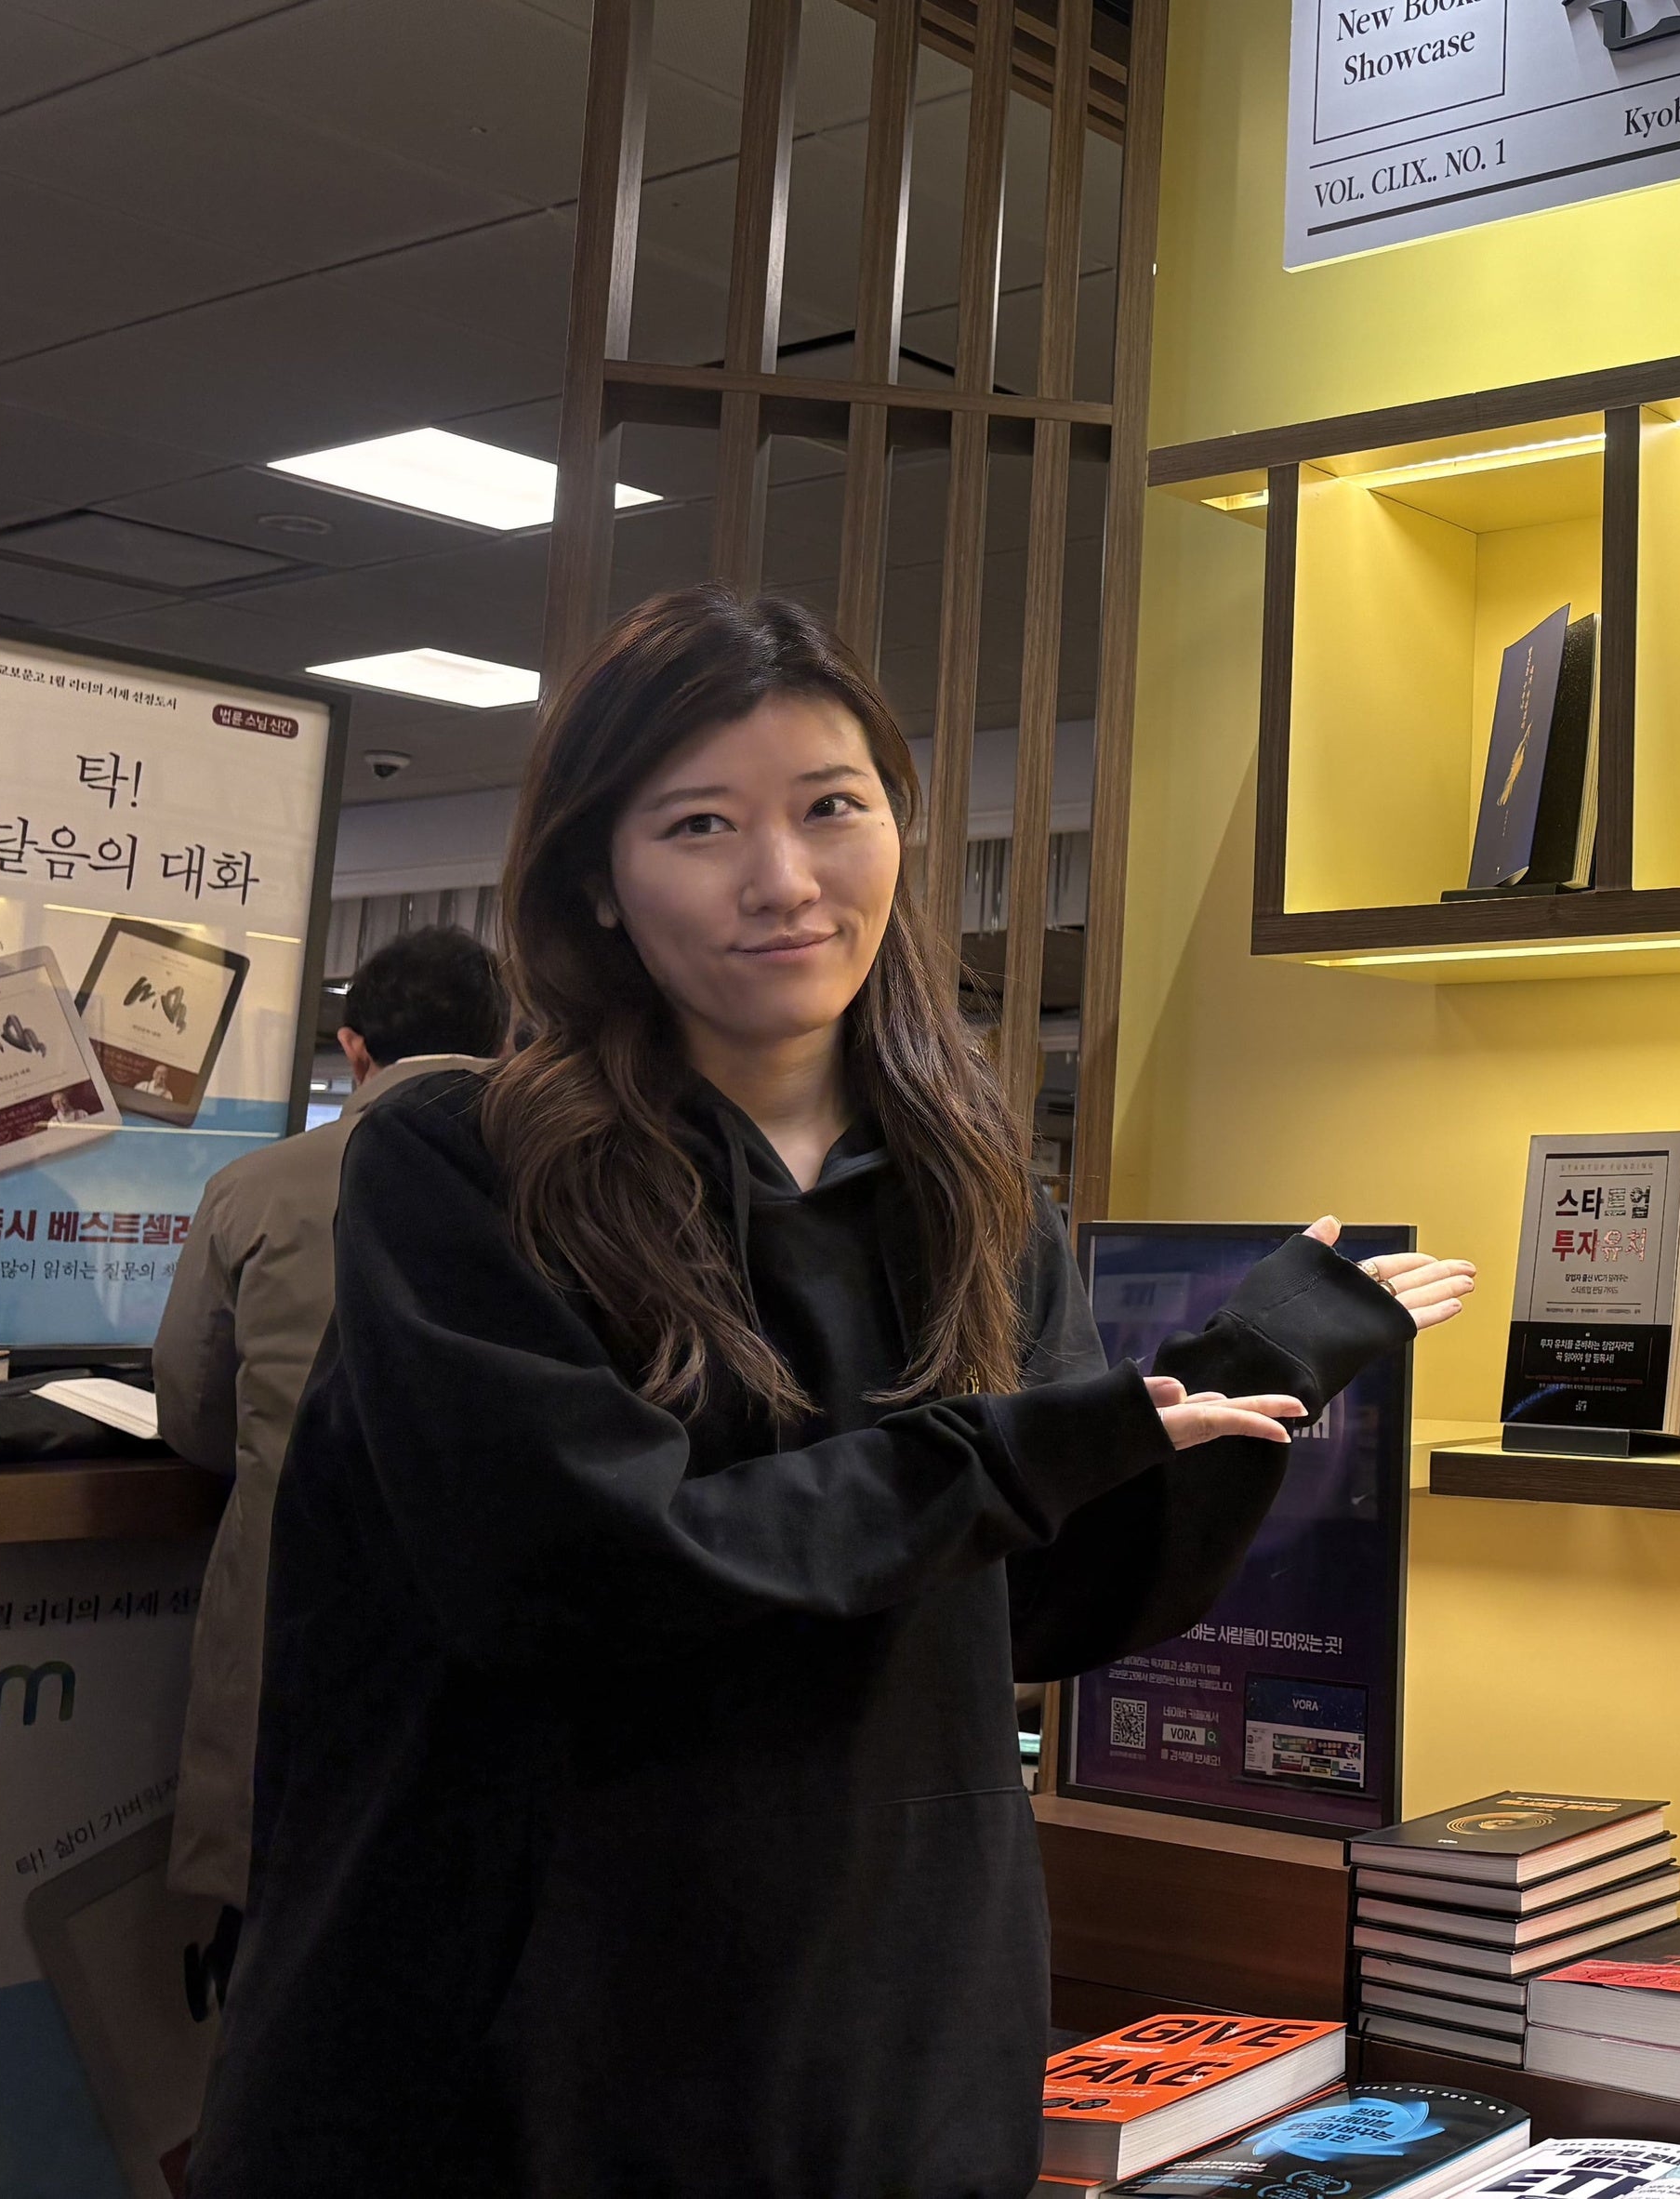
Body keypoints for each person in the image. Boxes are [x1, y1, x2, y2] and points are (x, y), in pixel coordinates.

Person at [192, 589, 1471, 2198]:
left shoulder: (973, 1187)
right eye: (701, 825)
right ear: (595, 878)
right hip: (526, 2030)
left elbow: (1040, 1602)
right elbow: (581, 1570)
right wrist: (1034, 1448)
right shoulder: (464, 1164)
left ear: (899, 832)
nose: (783, 880)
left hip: (889, 2016)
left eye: (831, 808)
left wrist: (1240, 1382)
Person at [153, 924, 509, 1936]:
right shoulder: (578, 1178)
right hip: (500, 1620)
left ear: (353, 1049)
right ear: (504, 1040)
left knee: (285, 1907)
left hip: (295, 1603)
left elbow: (192, 1408)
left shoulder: (258, 1187)